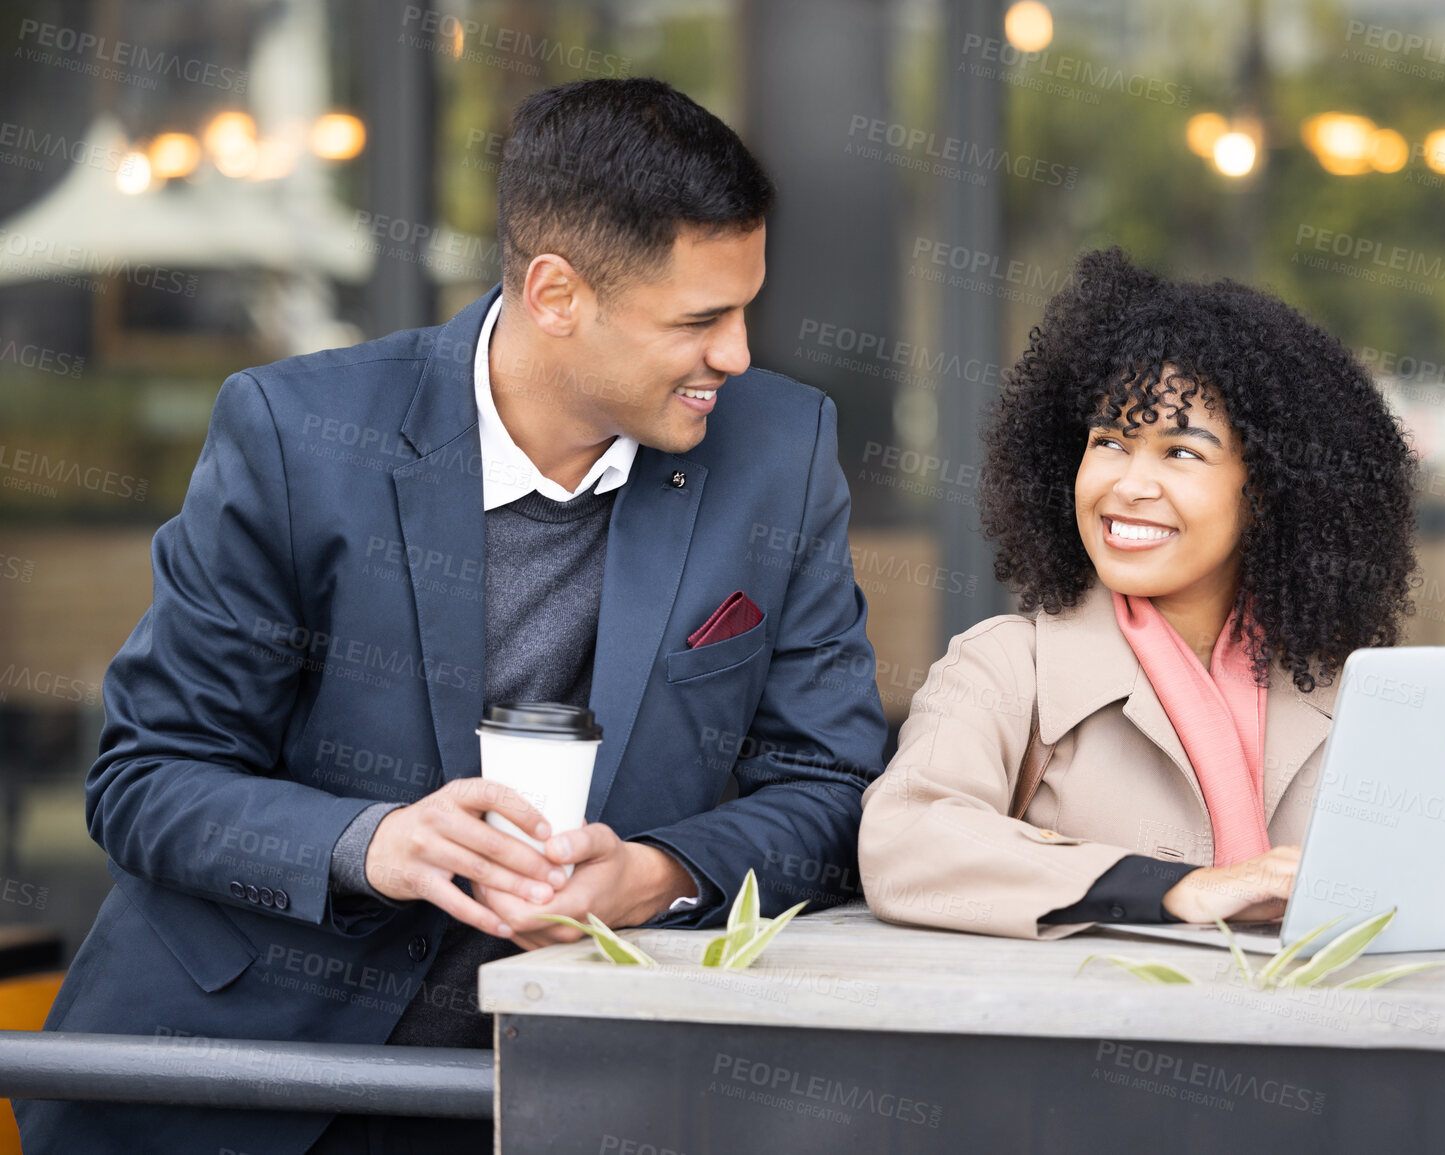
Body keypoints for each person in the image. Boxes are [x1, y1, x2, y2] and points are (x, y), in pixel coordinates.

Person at [18, 79, 886, 1155]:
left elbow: (831, 784)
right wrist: (369, 843)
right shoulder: (297, 434)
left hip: (569, 1093)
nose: (739, 356)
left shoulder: (781, 452)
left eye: (746, 307)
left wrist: (658, 876)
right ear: (556, 295)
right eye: (700, 320)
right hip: (243, 1079)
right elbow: (148, 777)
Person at [859, 248, 1416, 939]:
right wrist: (1176, 888)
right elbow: (903, 843)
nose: (1127, 484)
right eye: (1109, 442)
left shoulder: (1350, 683)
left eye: (1180, 452)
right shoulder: (1005, 666)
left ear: (1268, 490)